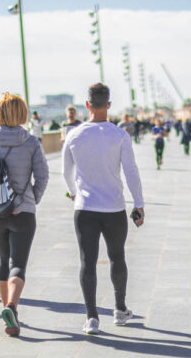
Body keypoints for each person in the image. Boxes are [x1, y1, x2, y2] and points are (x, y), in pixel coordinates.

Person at [62, 83, 145, 335]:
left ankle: (91, 318)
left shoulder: (74, 136)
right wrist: (138, 204)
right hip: (114, 208)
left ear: (87, 105)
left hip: (85, 209)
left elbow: (66, 172)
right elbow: (131, 171)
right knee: (117, 257)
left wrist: (73, 192)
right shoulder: (119, 135)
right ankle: (119, 310)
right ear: (108, 105)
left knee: (87, 261)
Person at [0, 93, 49, 337]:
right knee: (17, 264)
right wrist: (31, 199)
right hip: (23, 213)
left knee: (2, 260)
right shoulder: (31, 143)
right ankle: (11, 307)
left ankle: (8, 317)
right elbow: (42, 176)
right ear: (22, 114)